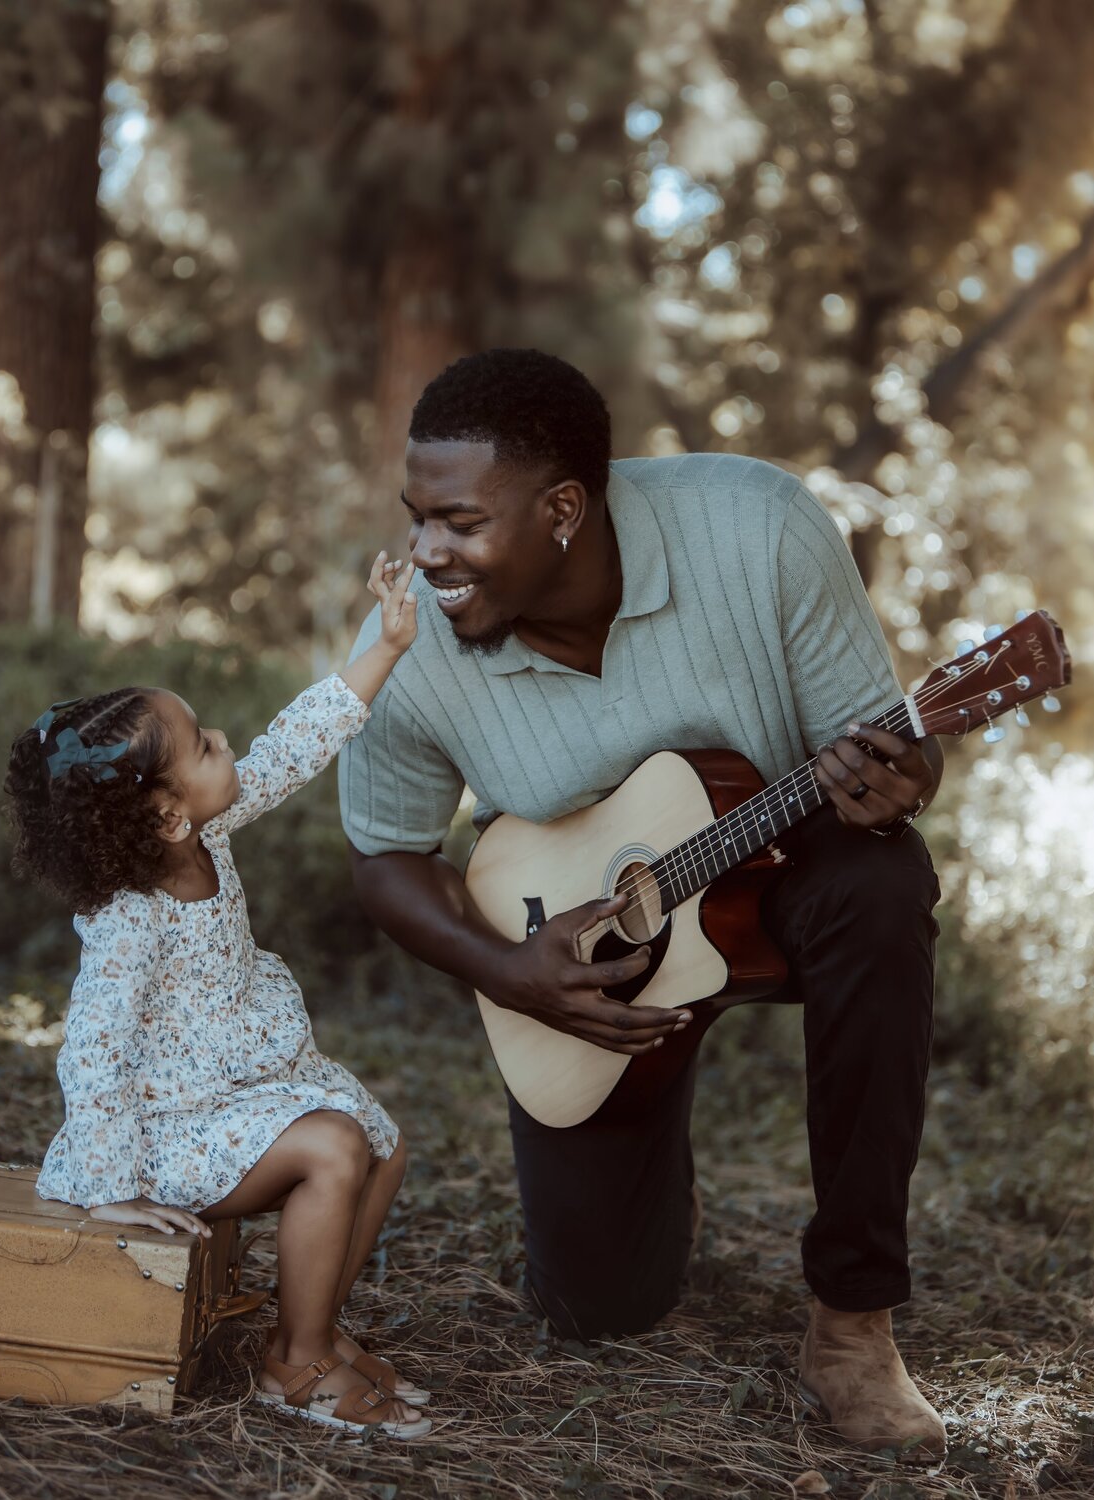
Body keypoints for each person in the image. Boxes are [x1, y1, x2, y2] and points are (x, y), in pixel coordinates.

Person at [339, 349, 948, 1460]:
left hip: (786, 865)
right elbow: (387, 853)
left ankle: (854, 1319)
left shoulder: (761, 530)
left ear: (564, 508)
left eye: (461, 523)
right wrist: (506, 970)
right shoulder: (416, 645)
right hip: (575, 945)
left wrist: (904, 778)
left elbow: (892, 759)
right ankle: (656, 1174)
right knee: (596, 1310)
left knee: (884, 885)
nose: (428, 554)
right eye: (417, 518)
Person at [4, 553, 432, 1440]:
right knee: (334, 1146)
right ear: (165, 816)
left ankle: (311, 1326)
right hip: (164, 1131)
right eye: (204, 746)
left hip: (234, 1085)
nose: (227, 745)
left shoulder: (209, 827)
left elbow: (290, 748)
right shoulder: (130, 921)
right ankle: (293, 1367)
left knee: (384, 1145)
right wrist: (115, 1189)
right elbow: (93, 1049)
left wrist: (385, 648)